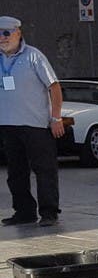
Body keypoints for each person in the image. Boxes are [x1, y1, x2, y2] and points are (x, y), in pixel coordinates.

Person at [0, 16, 63, 227]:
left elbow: (54, 87)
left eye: (6, 33)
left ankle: (49, 212)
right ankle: (24, 212)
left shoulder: (33, 56)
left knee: (44, 170)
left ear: (18, 33)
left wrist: (56, 118)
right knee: (16, 172)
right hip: (8, 124)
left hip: (36, 125)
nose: (2, 38)